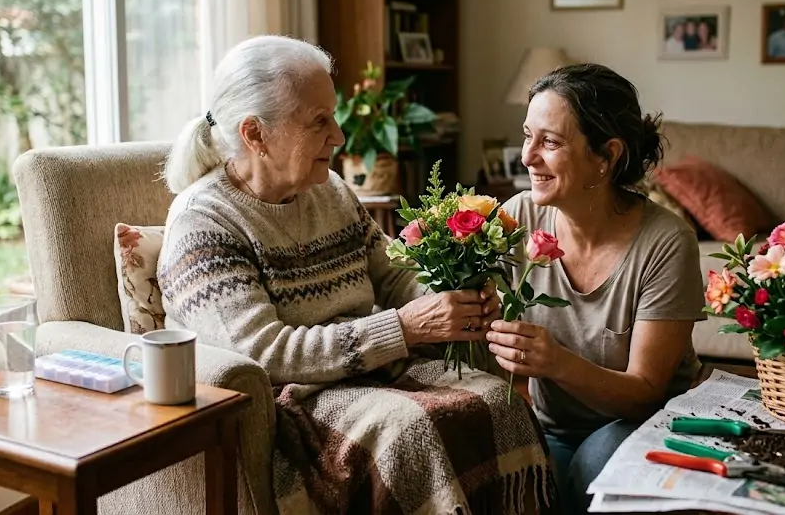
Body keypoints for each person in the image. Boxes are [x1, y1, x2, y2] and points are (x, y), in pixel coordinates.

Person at [156, 35, 553, 514]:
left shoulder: (330, 191)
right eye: (319, 121)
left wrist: (454, 297)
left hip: (373, 370)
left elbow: (395, 274)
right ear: (255, 134)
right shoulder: (203, 223)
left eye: (333, 116)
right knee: (412, 434)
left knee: (499, 403)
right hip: (296, 398)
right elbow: (265, 352)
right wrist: (405, 328)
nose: (339, 136)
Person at [485, 63, 706, 514]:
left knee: (594, 464)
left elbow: (646, 390)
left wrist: (555, 362)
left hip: (647, 420)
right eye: (527, 136)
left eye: (550, 142)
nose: (527, 157)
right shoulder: (517, 217)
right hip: (554, 427)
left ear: (606, 156)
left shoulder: (666, 241)